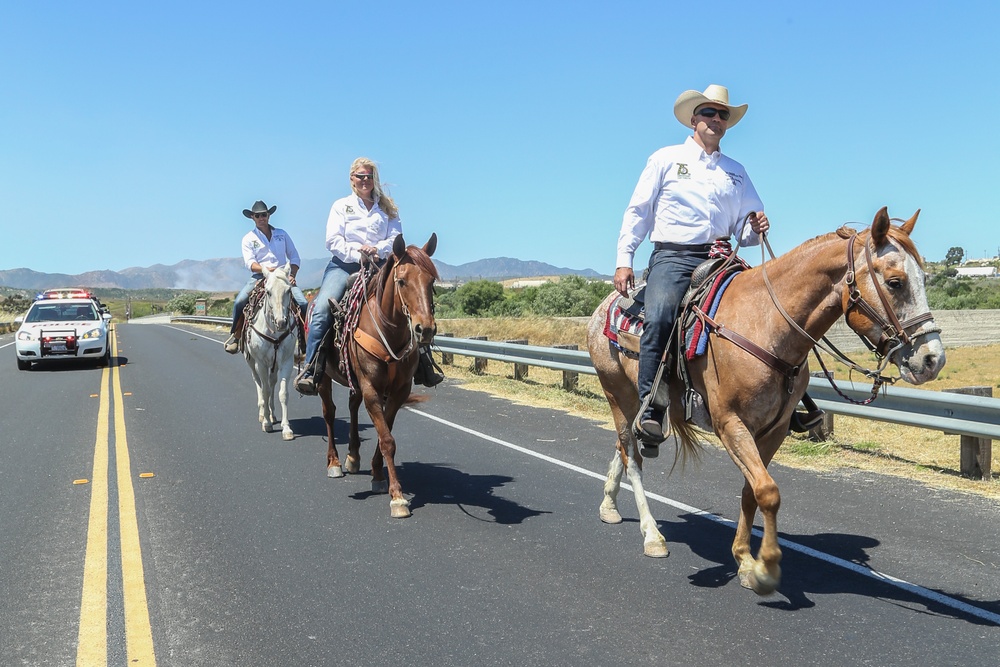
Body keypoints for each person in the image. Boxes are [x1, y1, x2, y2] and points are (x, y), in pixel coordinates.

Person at [614, 84, 771, 456]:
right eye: (709, 113)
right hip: (674, 256)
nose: (717, 120)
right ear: (694, 119)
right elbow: (638, 212)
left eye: (723, 115)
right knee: (662, 314)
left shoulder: (736, 172)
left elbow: (745, 231)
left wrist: (756, 226)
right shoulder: (665, 159)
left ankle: (787, 399)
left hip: (720, 258)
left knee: (764, 308)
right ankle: (652, 408)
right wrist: (625, 258)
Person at [224, 200, 308, 353]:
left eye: (264, 214)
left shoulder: (282, 234)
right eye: (258, 215)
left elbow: (294, 257)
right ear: (252, 218)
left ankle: (304, 342)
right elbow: (250, 263)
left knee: (303, 303)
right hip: (260, 276)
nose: (261, 218)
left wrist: (292, 275)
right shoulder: (248, 238)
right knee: (240, 301)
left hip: (282, 277)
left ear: (269, 215)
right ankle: (236, 336)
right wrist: (266, 269)